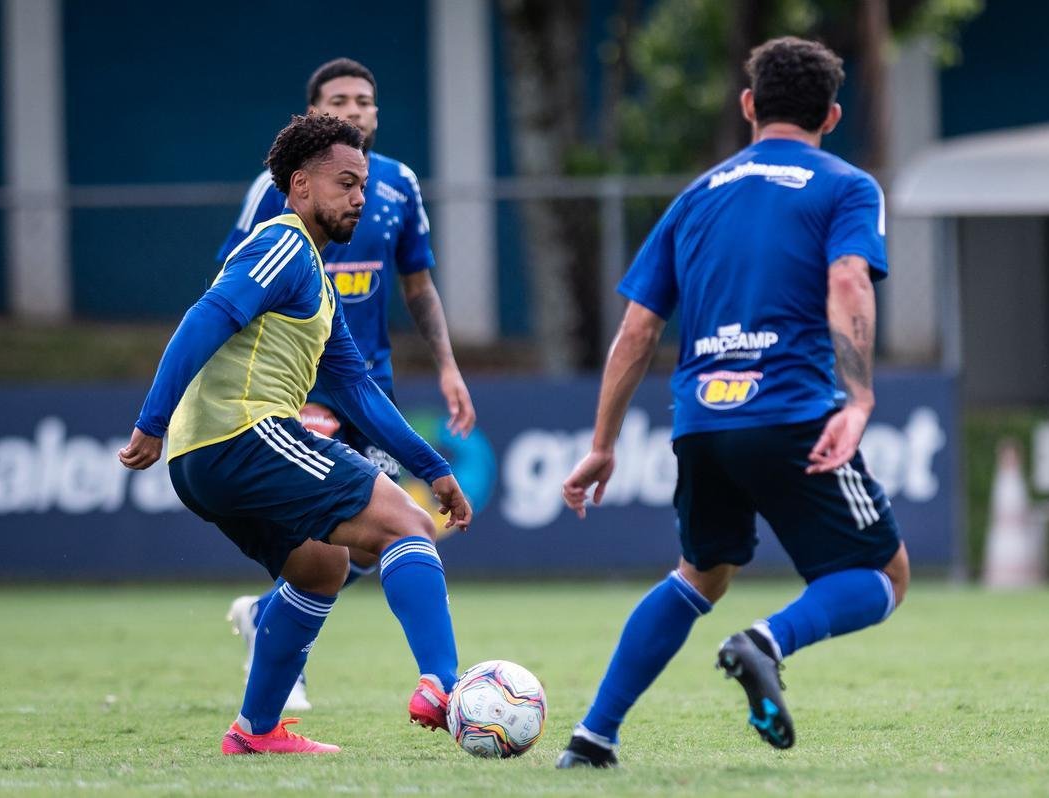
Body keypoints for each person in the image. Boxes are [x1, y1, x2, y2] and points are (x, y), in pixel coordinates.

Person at [554, 36, 910, 769]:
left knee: (701, 572)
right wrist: (861, 396)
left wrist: (603, 443)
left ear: (749, 105)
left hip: (702, 422)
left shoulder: (696, 196)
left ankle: (593, 738)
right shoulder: (846, 185)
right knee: (884, 575)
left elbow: (637, 330)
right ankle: (765, 643)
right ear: (832, 115)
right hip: (790, 413)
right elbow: (849, 280)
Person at [119, 113, 471, 754]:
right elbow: (206, 317)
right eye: (345, 183)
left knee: (321, 567)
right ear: (301, 185)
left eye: (363, 184)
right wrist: (151, 420)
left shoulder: (318, 279)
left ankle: (255, 731)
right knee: (408, 527)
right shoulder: (280, 241)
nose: (359, 197)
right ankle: (448, 687)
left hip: (209, 457)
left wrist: (435, 467)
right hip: (241, 434)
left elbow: (358, 391)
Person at [219, 57, 476, 712]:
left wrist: (447, 365)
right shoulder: (279, 189)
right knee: (326, 526)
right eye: (340, 100)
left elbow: (418, 283)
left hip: (369, 382)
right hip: (303, 384)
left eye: (365, 99)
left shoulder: (397, 185)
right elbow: (233, 279)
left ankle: (268, 615)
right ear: (312, 115)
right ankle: (286, 669)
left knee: (365, 538)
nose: (355, 109)